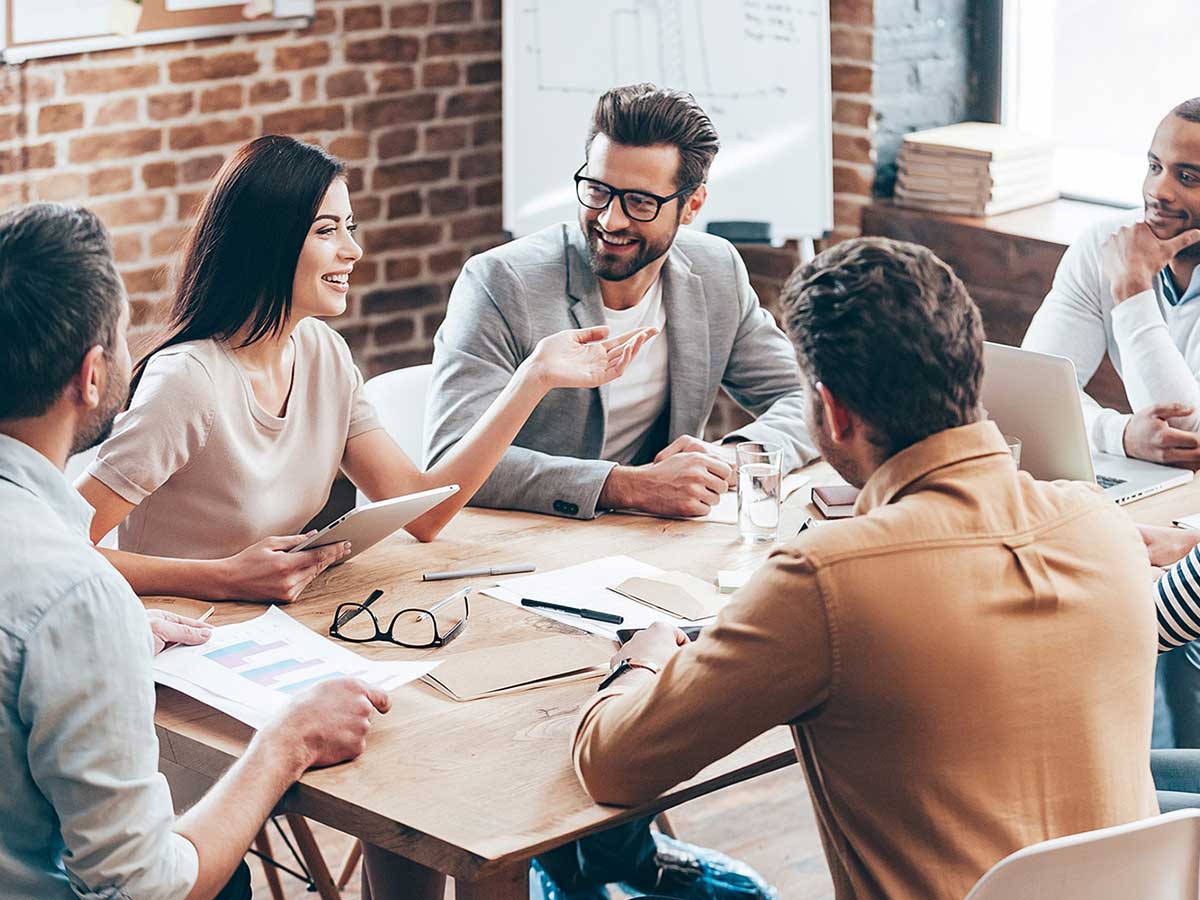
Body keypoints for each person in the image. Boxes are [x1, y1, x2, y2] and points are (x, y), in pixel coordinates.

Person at [572, 237, 1161, 900]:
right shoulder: (1102, 526)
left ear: (833, 411)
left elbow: (612, 767)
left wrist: (642, 660)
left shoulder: (827, 579)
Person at [75, 134, 652, 606]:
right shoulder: (189, 381)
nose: (352, 250)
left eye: (349, 227)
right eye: (327, 231)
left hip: (274, 628)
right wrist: (223, 577)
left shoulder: (323, 353)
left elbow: (424, 511)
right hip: (176, 639)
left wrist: (534, 377)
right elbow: (65, 549)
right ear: (266, 247)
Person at [0, 201, 390, 899]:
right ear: (92, 376)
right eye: (122, 338)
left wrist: (104, 644)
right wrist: (289, 737)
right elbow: (143, 889)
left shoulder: (65, 595)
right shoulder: (74, 594)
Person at [426, 83, 814, 522]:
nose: (611, 220)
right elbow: (450, 462)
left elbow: (804, 398)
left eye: (640, 202)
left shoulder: (716, 270)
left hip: (653, 540)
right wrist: (628, 486)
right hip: (528, 538)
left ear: (692, 206)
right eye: (597, 191)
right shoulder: (500, 283)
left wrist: (729, 456)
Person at [1022, 96, 1200, 748]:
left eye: (1189, 176)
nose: (1158, 190)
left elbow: (1191, 437)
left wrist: (1131, 294)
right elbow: (1037, 386)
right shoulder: (1105, 243)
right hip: (1163, 510)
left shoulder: (1122, 264)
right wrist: (1118, 433)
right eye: (1154, 165)